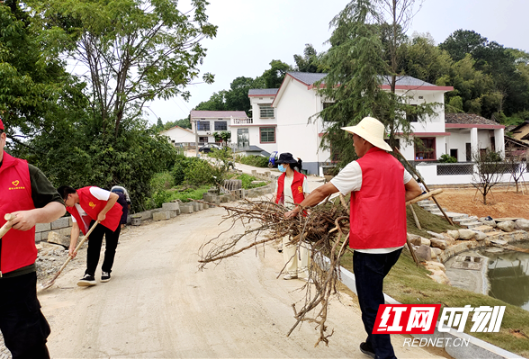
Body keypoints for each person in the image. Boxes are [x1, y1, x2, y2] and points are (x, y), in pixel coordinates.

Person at [285, 117, 422, 359]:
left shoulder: (359, 167)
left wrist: (297, 209)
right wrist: (386, 203)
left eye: (354, 138)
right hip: (395, 245)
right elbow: (415, 190)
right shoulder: (395, 165)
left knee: (371, 305)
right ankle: (372, 343)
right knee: (374, 294)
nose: (352, 143)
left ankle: (385, 355)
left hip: (371, 247)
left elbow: (322, 191)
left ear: (364, 140)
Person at [0, 117, 66, 359]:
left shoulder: (25, 171)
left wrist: (34, 215)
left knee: (28, 346)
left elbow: (59, 207)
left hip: (15, 278)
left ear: (3, 137)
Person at [57, 185, 123, 286]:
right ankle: (89, 274)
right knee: (93, 246)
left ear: (69, 196)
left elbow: (114, 197)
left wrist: (103, 212)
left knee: (111, 246)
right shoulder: (73, 208)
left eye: (64, 202)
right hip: (96, 219)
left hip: (112, 216)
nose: (65, 205)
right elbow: (75, 227)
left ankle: (106, 270)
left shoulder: (91, 191)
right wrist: (72, 247)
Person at [275, 152, 310, 280]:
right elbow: (277, 196)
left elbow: (307, 196)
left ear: (287, 164)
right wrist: (274, 210)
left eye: (281, 164)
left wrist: (308, 212)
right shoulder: (280, 179)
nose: (280, 166)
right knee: (287, 242)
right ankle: (292, 271)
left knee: (305, 245)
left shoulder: (301, 178)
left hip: (301, 215)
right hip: (286, 215)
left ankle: (304, 272)